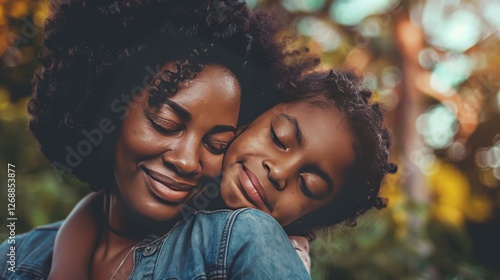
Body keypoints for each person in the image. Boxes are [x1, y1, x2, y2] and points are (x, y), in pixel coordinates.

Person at [0, 0, 317, 279]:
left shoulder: (238, 245)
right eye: (165, 123)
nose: (187, 161)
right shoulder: (14, 259)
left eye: (216, 145)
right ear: (107, 111)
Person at [47, 70, 397, 279]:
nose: (278, 172)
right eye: (279, 138)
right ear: (249, 119)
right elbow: (97, 207)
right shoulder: (185, 185)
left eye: (308, 185)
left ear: (311, 216)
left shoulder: (261, 246)